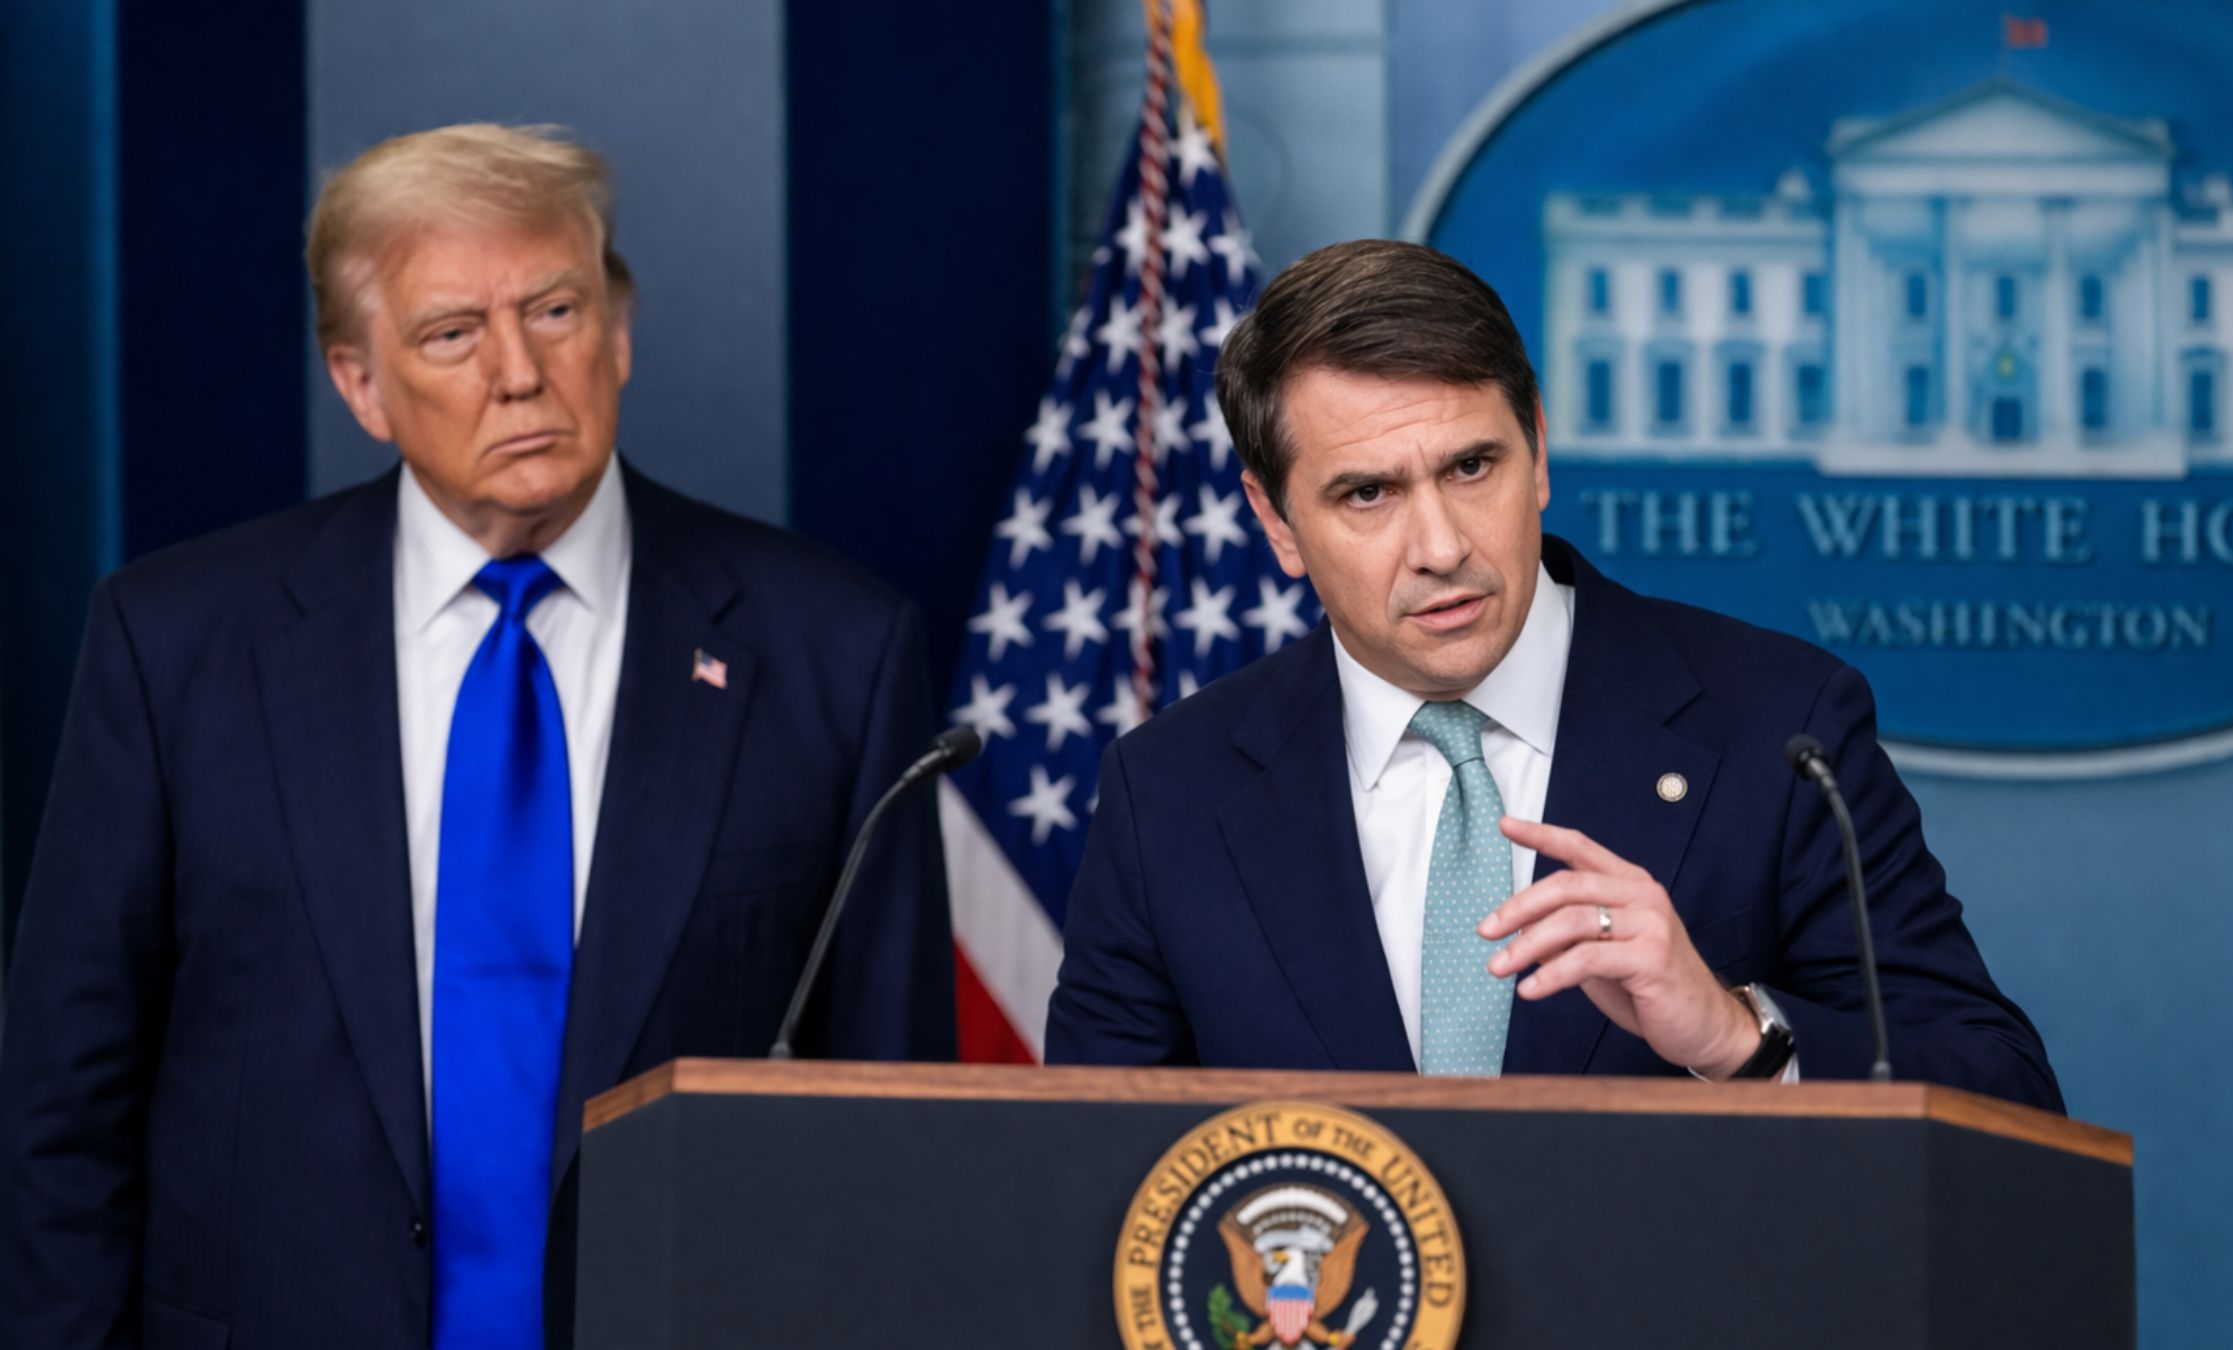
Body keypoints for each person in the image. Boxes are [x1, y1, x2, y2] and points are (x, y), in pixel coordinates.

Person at [0, 124, 954, 1350]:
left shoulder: (834, 652)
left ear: (617, 331)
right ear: (361, 385)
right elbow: (64, 1110)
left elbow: (890, 1133)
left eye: (555, 311)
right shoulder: (176, 645)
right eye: (452, 333)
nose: (519, 372)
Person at [1045, 239, 2061, 1109]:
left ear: (1537, 448)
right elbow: (1088, 1177)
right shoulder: (1168, 792)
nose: (1441, 546)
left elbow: (2004, 1094)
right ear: (1276, 523)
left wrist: (1735, 1034)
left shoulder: (1781, 730)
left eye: (1471, 467)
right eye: (1367, 495)